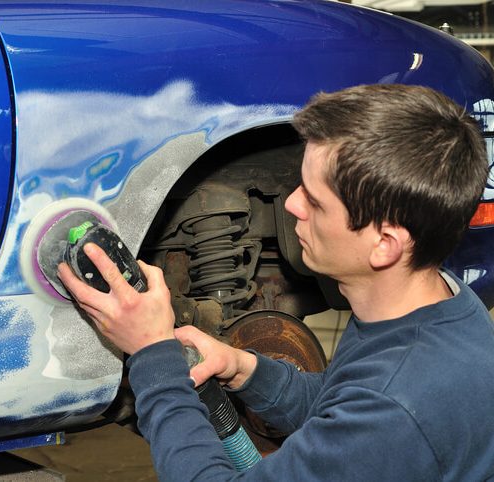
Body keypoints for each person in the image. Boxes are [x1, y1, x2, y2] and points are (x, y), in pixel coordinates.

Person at [58, 84, 494, 481]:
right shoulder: (435, 304)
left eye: (316, 201)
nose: (292, 204)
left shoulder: (395, 409)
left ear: (385, 244)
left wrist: (152, 357)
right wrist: (244, 368)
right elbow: (340, 399)